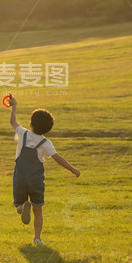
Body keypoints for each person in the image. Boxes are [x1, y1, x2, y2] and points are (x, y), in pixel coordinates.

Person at [9, 95, 80, 246]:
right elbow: (58, 158)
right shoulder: (46, 143)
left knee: (18, 204)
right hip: (36, 181)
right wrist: (73, 169)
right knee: (38, 210)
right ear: (48, 129)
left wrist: (14, 106)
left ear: (31, 123)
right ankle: (37, 238)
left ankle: (22, 206)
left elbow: (13, 122)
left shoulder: (23, 133)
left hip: (20, 177)